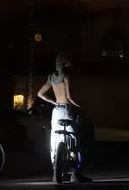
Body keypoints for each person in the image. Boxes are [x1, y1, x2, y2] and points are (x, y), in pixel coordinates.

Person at [37, 53, 92, 183]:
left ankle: (55, 171)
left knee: (55, 140)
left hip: (56, 111)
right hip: (66, 110)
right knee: (74, 140)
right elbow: (70, 98)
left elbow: (40, 94)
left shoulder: (51, 77)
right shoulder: (66, 76)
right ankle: (75, 174)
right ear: (65, 64)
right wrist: (82, 107)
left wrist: (52, 101)